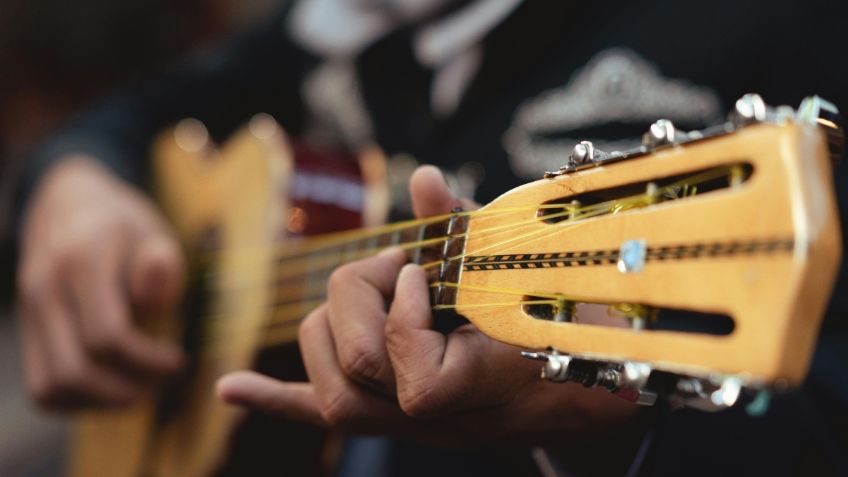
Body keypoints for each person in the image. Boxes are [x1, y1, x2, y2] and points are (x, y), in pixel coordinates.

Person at [14, 0, 848, 475]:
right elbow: (132, 118)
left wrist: (615, 424)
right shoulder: (334, 28)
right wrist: (72, 185)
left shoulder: (781, 24)